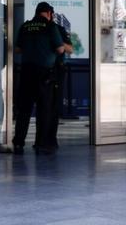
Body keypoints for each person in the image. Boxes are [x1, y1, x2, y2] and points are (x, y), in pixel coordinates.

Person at [12, 1, 72, 155]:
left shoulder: (25, 26)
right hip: (44, 74)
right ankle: (41, 143)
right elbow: (60, 49)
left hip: (26, 72)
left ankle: (18, 143)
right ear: (49, 13)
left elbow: (18, 49)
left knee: (24, 110)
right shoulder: (50, 26)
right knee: (43, 109)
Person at [41, 12, 75, 150]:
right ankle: (47, 139)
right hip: (49, 70)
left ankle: (45, 139)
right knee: (50, 105)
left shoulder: (57, 29)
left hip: (51, 70)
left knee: (50, 105)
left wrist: (57, 42)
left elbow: (69, 49)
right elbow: (66, 49)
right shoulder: (52, 29)